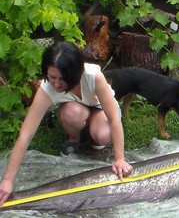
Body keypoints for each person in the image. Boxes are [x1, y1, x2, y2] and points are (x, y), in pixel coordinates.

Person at [0, 41, 133, 207]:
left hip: (101, 109)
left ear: (75, 74)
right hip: (75, 110)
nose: (55, 83)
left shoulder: (92, 76)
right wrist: (7, 181)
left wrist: (119, 158)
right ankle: (74, 138)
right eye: (52, 77)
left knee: (103, 135)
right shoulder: (47, 89)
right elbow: (25, 136)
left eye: (61, 79)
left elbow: (113, 118)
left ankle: (94, 134)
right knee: (70, 113)